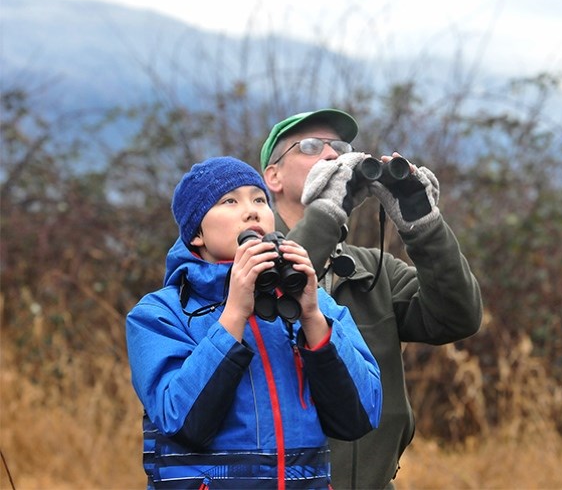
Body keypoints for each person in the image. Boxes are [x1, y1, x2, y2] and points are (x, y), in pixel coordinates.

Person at [126, 156, 382, 489]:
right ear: (196, 234)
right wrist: (234, 313)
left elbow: (360, 417)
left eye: (259, 199)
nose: (251, 211)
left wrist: (313, 317)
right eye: (229, 201)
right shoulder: (161, 313)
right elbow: (181, 420)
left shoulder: (317, 304)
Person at [260, 110, 483, 489]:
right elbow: (272, 296)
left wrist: (423, 224)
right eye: (311, 147)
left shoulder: (373, 270)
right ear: (273, 176)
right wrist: (327, 214)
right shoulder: (247, 260)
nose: (331, 156)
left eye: (341, 148)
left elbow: (457, 317)